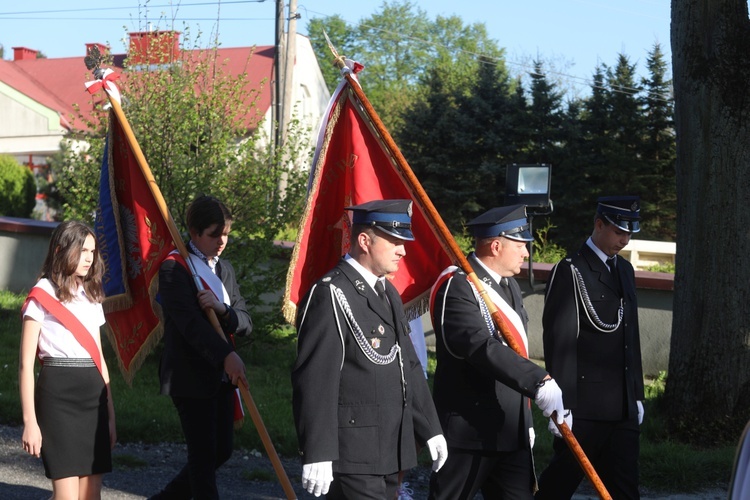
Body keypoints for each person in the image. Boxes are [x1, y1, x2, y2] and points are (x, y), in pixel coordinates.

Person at [292, 199, 448, 499]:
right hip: (352, 453)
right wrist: (318, 451)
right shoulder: (331, 293)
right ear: (364, 240)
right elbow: (315, 379)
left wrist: (430, 427)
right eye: (394, 241)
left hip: (390, 448)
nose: (403, 250)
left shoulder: (386, 290)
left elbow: (410, 365)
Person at [427, 204, 568, 500]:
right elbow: (478, 345)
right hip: (469, 433)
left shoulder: (509, 286)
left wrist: (525, 421)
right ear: (496, 245)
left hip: (509, 432)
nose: (526, 253)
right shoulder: (459, 286)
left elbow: (516, 352)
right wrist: (538, 380)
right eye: (520, 246)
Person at [535, 196, 645, 500]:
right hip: (584, 407)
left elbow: (630, 335)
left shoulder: (624, 270)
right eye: (618, 232)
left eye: (629, 233)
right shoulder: (571, 270)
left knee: (625, 489)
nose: (624, 240)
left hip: (622, 406)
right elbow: (560, 341)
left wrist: (636, 393)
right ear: (599, 224)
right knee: (559, 485)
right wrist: (563, 403)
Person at [149, 195, 252, 500]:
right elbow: (191, 328)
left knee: (221, 451)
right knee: (203, 458)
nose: (222, 241)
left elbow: (245, 322)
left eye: (226, 234)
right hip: (189, 375)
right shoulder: (174, 269)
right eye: (214, 234)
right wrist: (226, 356)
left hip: (221, 377)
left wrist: (223, 310)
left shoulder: (224, 270)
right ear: (194, 232)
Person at [19, 220, 116, 499]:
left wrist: (110, 414)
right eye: (83, 250)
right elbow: (26, 364)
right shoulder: (42, 294)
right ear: (61, 249)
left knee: (91, 494)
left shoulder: (92, 295)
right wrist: (30, 422)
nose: (89, 257)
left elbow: (99, 357)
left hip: (93, 397)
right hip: (58, 398)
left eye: (92, 251)